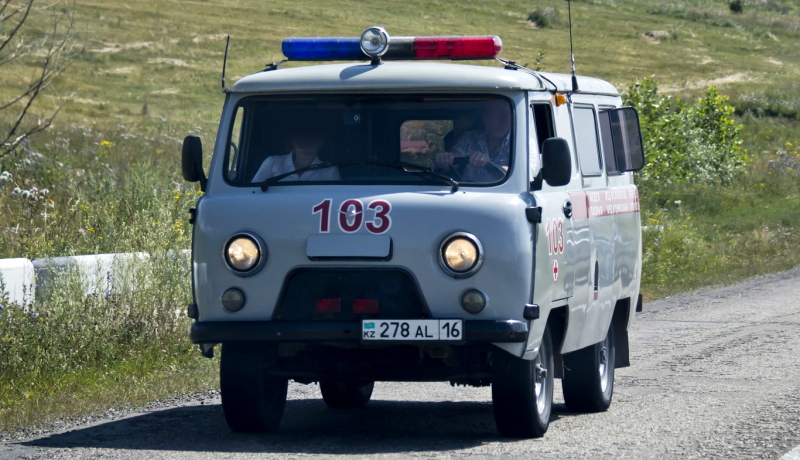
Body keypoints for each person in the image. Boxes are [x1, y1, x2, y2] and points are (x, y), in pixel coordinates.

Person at [434, 99, 511, 182]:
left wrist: (490, 165)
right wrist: (445, 159)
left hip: (503, 194)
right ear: (483, 116)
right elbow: (454, 156)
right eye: (488, 114)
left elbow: (521, 174)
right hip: (467, 192)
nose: (494, 120)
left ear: (513, 116)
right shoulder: (471, 137)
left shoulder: (520, 141)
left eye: (502, 115)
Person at [251, 127, 341, 183]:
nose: (306, 140)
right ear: (292, 139)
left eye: (312, 136)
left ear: (321, 140)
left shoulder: (330, 170)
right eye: (302, 135)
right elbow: (253, 193)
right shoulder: (272, 163)